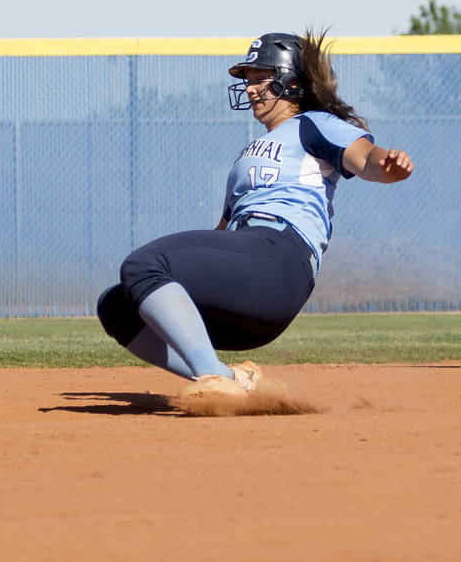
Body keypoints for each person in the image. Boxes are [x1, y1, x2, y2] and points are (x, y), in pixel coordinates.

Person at [96, 30, 413, 404]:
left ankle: (212, 376)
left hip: (280, 259)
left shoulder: (313, 123)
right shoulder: (248, 154)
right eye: (247, 80)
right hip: (248, 287)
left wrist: (388, 166)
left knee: (144, 264)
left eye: (260, 78)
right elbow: (223, 233)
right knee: (117, 304)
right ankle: (236, 382)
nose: (249, 89)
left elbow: (365, 159)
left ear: (291, 83)